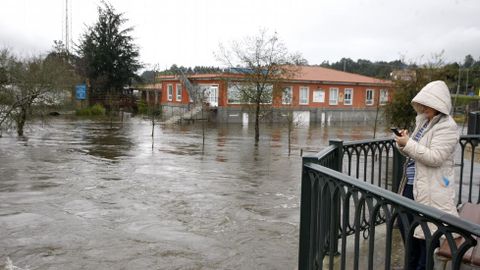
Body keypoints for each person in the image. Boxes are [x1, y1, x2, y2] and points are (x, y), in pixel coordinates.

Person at [394, 80, 459, 270]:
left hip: (431, 189)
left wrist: (409, 143)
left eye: (427, 105)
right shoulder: (423, 122)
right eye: (422, 104)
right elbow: (414, 152)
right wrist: (402, 143)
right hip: (412, 185)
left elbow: (435, 157)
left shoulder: (447, 127)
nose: (423, 108)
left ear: (439, 105)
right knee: (408, 230)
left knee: (426, 237)